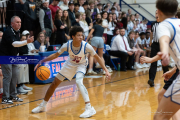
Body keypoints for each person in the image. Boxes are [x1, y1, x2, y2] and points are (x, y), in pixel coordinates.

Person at [31, 26, 111, 118]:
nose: (81, 37)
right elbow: (55, 55)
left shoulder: (86, 46)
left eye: (82, 35)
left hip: (81, 65)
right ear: (73, 36)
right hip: (69, 64)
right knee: (54, 83)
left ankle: (89, 108)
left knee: (78, 82)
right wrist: (42, 61)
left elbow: (97, 57)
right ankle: (43, 105)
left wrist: (106, 70)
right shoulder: (67, 45)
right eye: (79, 35)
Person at [0, 16, 34, 104]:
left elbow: (16, 46)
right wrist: (27, 41)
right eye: (17, 22)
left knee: (15, 76)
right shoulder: (8, 32)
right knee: (8, 77)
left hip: (14, 57)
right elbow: (14, 44)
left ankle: (13, 95)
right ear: (12, 23)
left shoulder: (17, 32)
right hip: (6, 57)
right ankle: (5, 98)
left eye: (20, 22)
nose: (19, 24)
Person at [148, 10, 169, 87]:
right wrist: (150, 41)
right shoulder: (153, 23)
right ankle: (151, 80)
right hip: (155, 45)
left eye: (158, 13)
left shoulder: (165, 23)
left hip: (162, 45)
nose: (157, 15)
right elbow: (152, 33)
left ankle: (167, 79)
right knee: (153, 63)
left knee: (164, 64)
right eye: (156, 13)